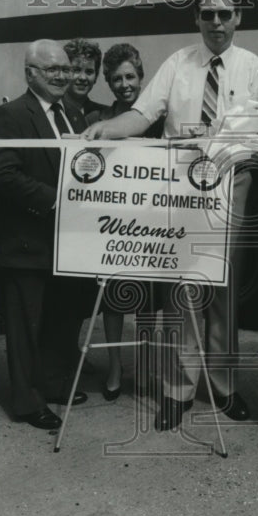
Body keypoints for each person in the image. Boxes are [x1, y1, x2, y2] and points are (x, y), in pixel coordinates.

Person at [82, 0, 258, 431]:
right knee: (183, 293)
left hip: (229, 185)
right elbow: (143, 116)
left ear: (238, 18)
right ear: (197, 20)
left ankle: (223, 387)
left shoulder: (250, 66)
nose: (217, 23)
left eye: (225, 15)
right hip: (180, 189)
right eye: (208, 15)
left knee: (224, 291)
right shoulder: (178, 63)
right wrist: (107, 129)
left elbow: (256, 129)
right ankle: (178, 391)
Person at [0, 40, 97, 429]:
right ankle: (27, 402)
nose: (63, 77)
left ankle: (51, 384)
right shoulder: (10, 115)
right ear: (30, 73)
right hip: (26, 240)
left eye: (66, 70)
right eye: (53, 71)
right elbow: (0, 173)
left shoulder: (76, 116)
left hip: (67, 243)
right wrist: (55, 201)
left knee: (61, 319)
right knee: (25, 327)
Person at [84, 42, 162, 400]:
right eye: (116, 78)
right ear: (108, 83)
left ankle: (145, 367)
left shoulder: (161, 119)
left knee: (147, 301)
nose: (124, 84)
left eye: (130, 76)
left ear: (142, 77)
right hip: (114, 223)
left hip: (153, 221)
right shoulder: (99, 120)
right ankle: (115, 365)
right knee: (113, 299)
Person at [63, 38, 107, 117]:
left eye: (89, 72)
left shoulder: (105, 114)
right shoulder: (52, 111)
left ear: (96, 76)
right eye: (76, 70)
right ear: (65, 72)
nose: (83, 78)